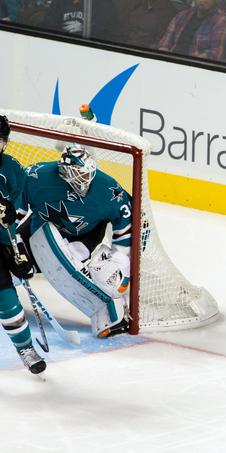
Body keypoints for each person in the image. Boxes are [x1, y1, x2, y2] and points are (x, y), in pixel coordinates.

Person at [22, 142, 133, 339]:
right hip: (39, 232)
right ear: (64, 171)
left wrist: (120, 258)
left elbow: (130, 222)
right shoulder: (36, 176)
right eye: (79, 175)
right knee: (8, 264)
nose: (85, 180)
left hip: (85, 238)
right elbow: (12, 206)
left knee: (105, 273)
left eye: (87, 174)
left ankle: (113, 315)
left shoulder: (108, 189)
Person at [0, 116, 46, 375]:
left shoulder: (12, 170)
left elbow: (16, 214)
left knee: (7, 299)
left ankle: (26, 349)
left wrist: (16, 251)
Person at [158, 0, 226, 61]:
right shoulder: (182, 15)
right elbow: (165, 42)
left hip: (195, 66)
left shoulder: (220, 21)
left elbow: (215, 53)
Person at [41, 0, 120, 41]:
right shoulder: (59, 2)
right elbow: (47, 27)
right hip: (59, 47)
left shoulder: (104, 4)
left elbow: (102, 33)